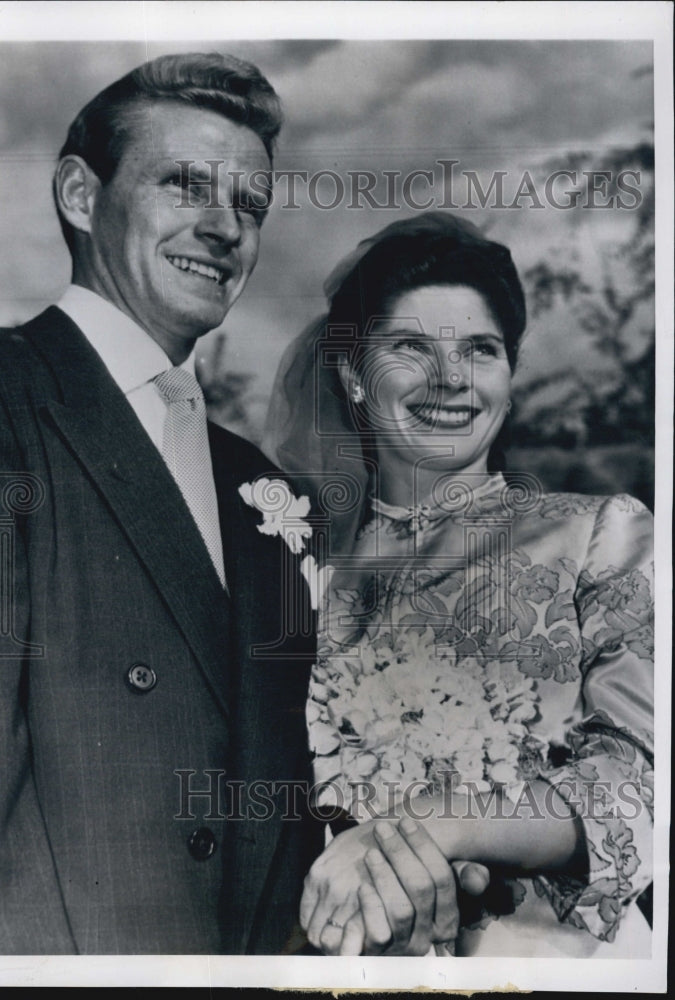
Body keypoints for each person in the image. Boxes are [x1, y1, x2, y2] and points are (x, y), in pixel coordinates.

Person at [0, 51, 327, 956]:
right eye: (185, 186)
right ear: (79, 194)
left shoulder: (270, 493)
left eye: (250, 206)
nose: (224, 228)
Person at [265, 212, 654, 957]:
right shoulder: (297, 568)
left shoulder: (601, 534)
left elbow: (638, 787)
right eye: (410, 347)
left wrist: (438, 825)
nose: (450, 379)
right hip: (340, 955)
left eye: (480, 350)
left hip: (547, 961)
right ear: (352, 373)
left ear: (508, 376)